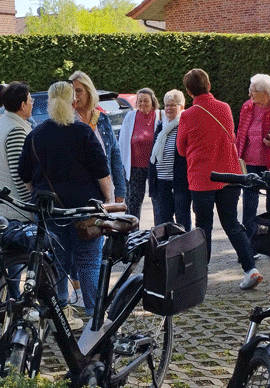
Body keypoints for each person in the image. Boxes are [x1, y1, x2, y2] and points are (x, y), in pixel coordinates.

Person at [18, 81, 115, 329]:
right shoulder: (82, 132)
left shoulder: (35, 134)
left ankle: (61, 311)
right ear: (73, 101)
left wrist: (37, 194)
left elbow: (24, 174)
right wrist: (109, 200)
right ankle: (95, 316)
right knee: (89, 263)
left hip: (50, 212)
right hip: (85, 211)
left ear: (48, 102)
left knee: (57, 262)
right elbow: (102, 172)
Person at [176, 68, 263, 290]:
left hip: (202, 178)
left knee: (203, 227)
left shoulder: (187, 115)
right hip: (229, 175)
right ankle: (250, 268)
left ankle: (200, 276)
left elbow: (181, 149)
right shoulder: (224, 108)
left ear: (188, 91)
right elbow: (230, 136)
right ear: (209, 85)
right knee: (232, 222)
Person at [68, 70, 126, 307]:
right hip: (79, 191)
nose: (75, 96)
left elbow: (114, 154)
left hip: (103, 190)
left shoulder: (100, 119)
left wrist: (119, 190)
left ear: (89, 92)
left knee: (95, 240)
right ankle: (82, 294)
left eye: (79, 91)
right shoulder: (68, 120)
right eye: (72, 92)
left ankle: (90, 295)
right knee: (79, 244)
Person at [236, 73, 270, 235]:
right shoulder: (247, 106)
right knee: (249, 203)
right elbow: (240, 134)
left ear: (265, 93)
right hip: (250, 163)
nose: (249, 94)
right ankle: (249, 240)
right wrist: (237, 156)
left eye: (252, 91)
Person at [0, 81, 34, 221]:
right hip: (10, 211)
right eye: (30, 100)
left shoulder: (3, 121)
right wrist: (32, 209)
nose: (32, 103)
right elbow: (20, 176)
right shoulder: (15, 130)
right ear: (22, 105)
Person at [149, 89, 191, 230]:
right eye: (166, 105)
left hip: (179, 182)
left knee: (182, 221)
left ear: (182, 107)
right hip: (161, 183)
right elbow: (153, 156)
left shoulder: (185, 126)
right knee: (164, 222)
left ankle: (184, 243)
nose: (168, 108)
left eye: (173, 105)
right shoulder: (161, 126)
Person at [117, 87, 159, 219]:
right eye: (140, 101)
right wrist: (122, 165)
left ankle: (160, 229)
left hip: (155, 167)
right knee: (133, 204)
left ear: (152, 102)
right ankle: (132, 230)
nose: (142, 103)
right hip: (134, 167)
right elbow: (122, 142)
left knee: (158, 203)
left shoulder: (160, 116)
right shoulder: (130, 116)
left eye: (146, 101)